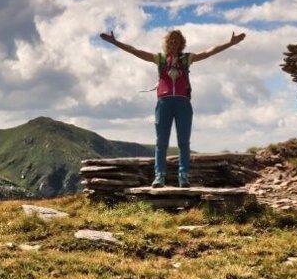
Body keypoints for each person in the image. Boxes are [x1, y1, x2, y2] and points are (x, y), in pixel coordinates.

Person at [100, 29, 246, 188]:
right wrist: (116, 43)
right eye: (171, 40)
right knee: (161, 143)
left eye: (177, 40)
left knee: (184, 142)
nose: (173, 42)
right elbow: (136, 51)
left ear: (181, 43)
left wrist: (229, 43)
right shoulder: (160, 59)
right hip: (164, 103)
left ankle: (183, 177)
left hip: (183, 103)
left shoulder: (187, 59)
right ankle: (159, 177)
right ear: (166, 43)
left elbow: (209, 52)